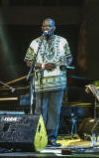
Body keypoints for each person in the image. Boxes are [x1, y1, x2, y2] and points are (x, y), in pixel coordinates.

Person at [24, 18, 72, 147]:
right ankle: (40, 137)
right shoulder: (35, 43)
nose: (47, 28)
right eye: (45, 26)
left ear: (54, 28)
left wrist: (65, 64)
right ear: (41, 28)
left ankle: (52, 138)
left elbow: (69, 58)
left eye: (50, 26)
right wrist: (44, 66)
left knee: (54, 112)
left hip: (58, 82)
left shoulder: (62, 41)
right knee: (40, 112)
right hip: (41, 84)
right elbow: (28, 61)